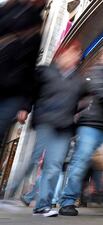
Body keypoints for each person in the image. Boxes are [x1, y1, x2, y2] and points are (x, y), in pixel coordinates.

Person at [58, 45, 103, 216]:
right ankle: (68, 201)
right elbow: (102, 90)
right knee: (81, 161)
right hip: (91, 125)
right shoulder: (97, 71)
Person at [21, 42, 83, 217]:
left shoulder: (77, 80)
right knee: (35, 161)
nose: (74, 58)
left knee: (53, 167)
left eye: (77, 56)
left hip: (63, 128)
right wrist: (25, 107)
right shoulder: (45, 72)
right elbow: (32, 91)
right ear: (61, 54)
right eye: (71, 53)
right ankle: (22, 191)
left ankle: (42, 205)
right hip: (45, 122)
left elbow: (81, 100)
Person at [0, 0, 45, 153]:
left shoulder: (37, 27)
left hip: (14, 93)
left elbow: (30, 68)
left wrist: (25, 104)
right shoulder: (7, 10)